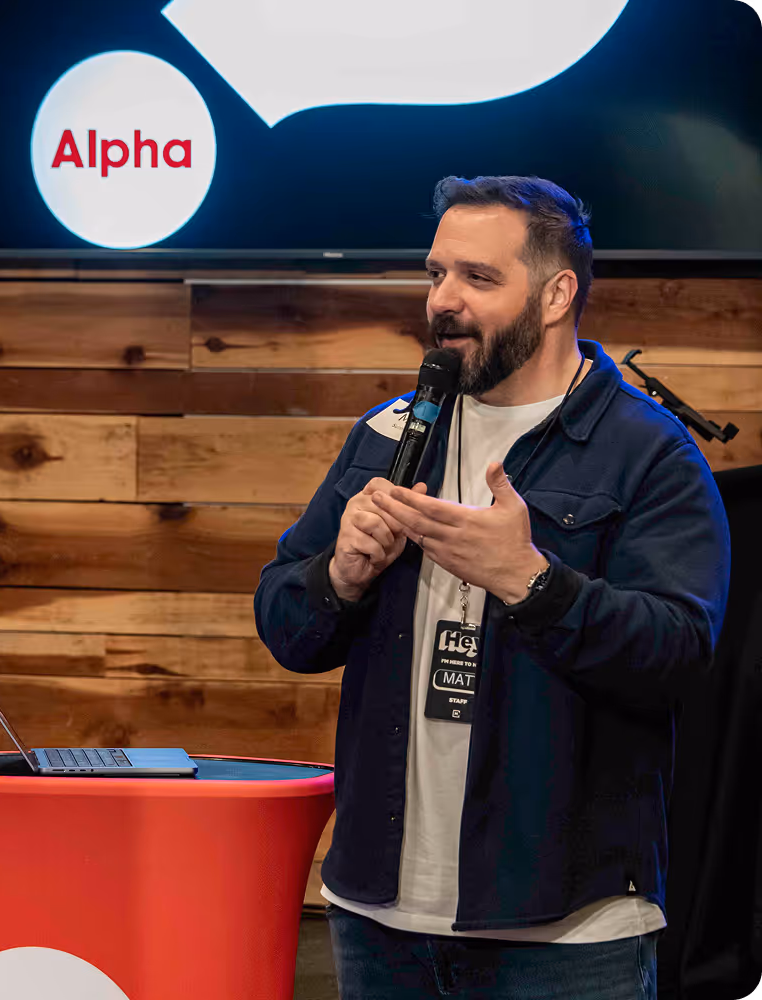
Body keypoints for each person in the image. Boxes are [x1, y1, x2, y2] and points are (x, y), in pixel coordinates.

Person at [254, 176, 730, 999]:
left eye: (477, 278)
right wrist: (341, 575)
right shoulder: (389, 432)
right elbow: (286, 626)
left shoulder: (646, 453)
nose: (443, 301)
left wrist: (532, 582)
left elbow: (678, 653)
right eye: (436, 273)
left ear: (555, 295)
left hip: (566, 931)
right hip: (379, 917)